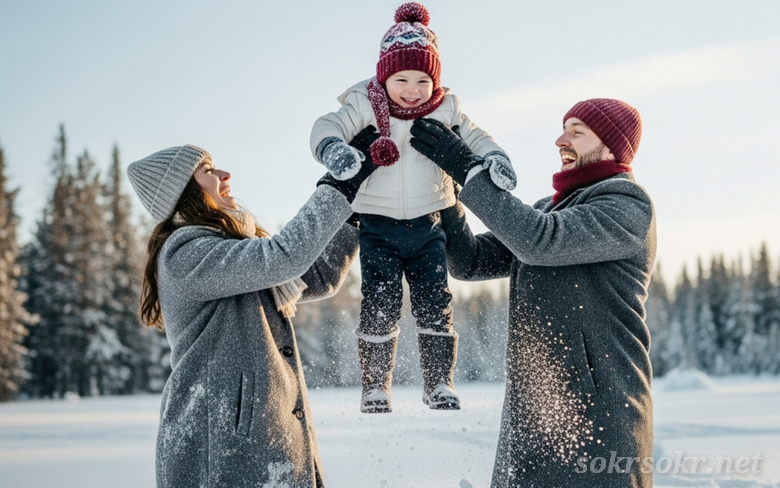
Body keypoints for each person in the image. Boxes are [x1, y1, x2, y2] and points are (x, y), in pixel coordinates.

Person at [410, 98, 656, 488]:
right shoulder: (548, 210)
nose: (561, 140)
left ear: (611, 147)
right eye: (563, 129)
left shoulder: (626, 205)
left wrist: (467, 167)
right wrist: (447, 192)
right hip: (533, 417)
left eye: (577, 132)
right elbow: (470, 261)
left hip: (599, 419)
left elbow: (537, 241)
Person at [126, 128, 378, 488]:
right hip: (220, 450)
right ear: (183, 191)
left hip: (264, 443)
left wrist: (354, 210)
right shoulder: (185, 253)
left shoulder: (232, 251)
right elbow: (284, 258)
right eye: (207, 170)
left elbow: (317, 275)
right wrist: (339, 183)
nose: (224, 174)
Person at [310, 2, 516, 414]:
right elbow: (326, 126)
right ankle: (374, 386)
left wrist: (496, 159)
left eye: (423, 80)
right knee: (379, 301)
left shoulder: (447, 108)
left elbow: (479, 138)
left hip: (429, 222)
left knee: (435, 302)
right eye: (401, 79)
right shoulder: (364, 105)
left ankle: (438, 383)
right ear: (384, 76)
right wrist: (333, 150)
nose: (412, 89)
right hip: (377, 224)